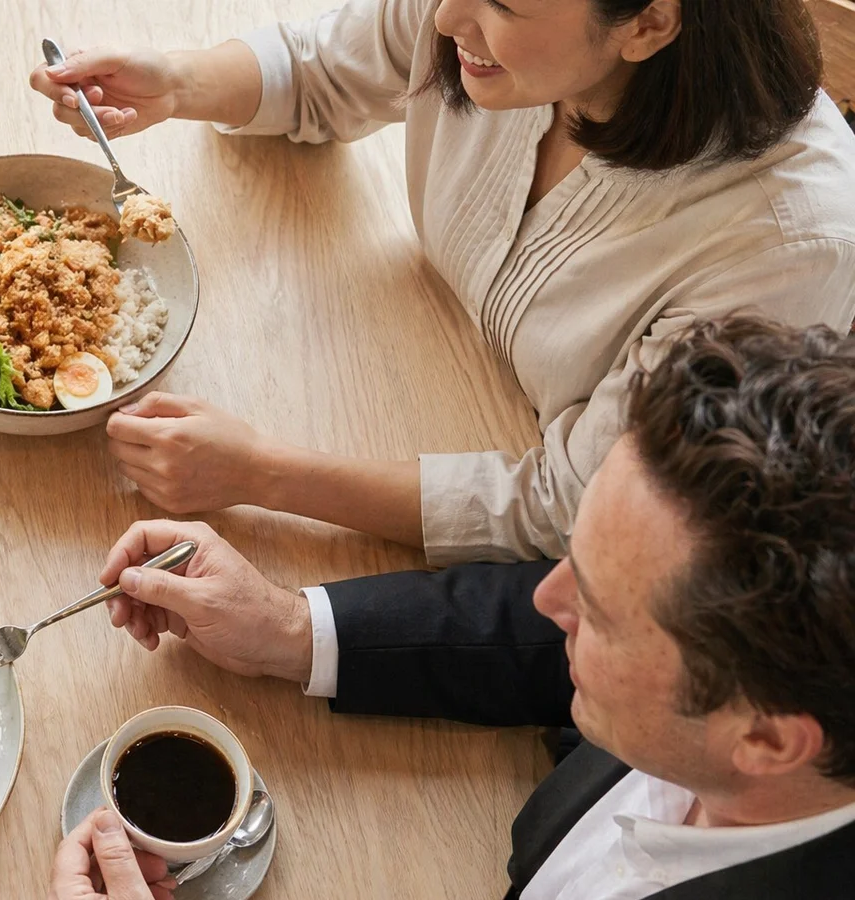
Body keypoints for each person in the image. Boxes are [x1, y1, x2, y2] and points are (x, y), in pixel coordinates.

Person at [30, 0, 855, 566]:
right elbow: (325, 67)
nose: (444, 17)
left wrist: (261, 474)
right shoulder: (488, 27)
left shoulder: (788, 248)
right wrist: (176, 82)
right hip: (419, 376)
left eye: (500, 2)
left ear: (648, 23)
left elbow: (573, 508)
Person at [56, 317, 855, 898]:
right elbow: (520, 630)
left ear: (766, 738)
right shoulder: (758, 685)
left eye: (602, 613)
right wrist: (290, 629)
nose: (547, 596)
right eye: (575, 557)